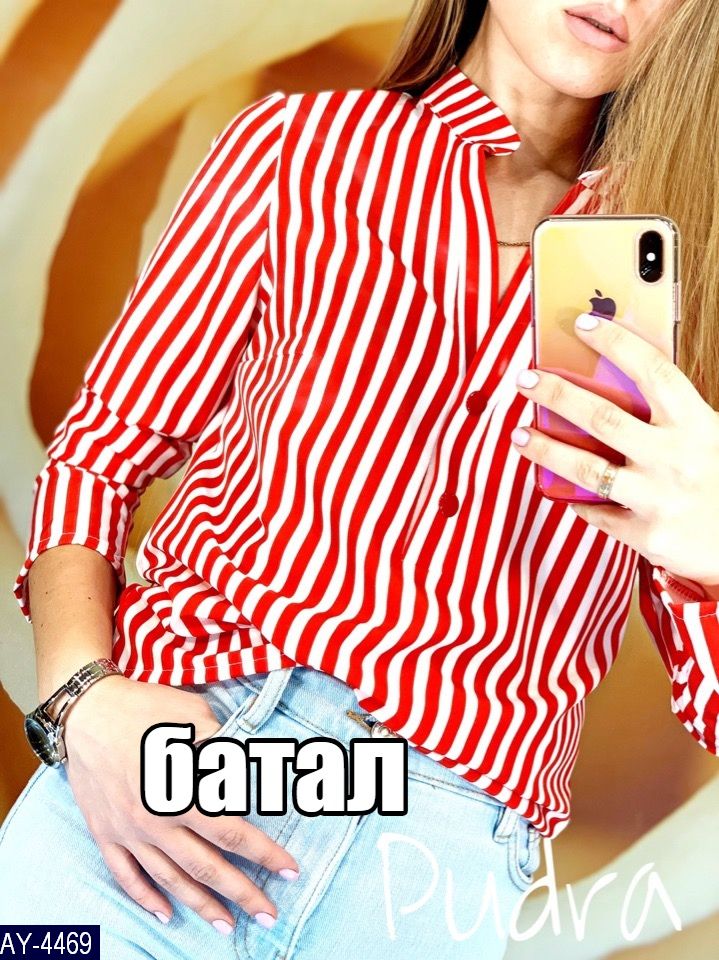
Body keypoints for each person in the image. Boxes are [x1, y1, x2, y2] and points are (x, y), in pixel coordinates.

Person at [1, 0, 718, 957]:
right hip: (166, 770)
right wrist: (79, 700)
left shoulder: (683, 278)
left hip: (425, 868)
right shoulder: (292, 152)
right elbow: (101, 450)